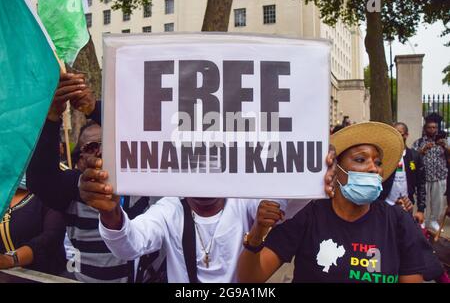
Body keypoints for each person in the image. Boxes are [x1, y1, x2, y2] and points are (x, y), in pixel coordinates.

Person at [78, 153, 336, 283]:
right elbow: (130, 246)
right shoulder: (170, 209)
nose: (203, 182)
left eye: (211, 170)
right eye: (194, 171)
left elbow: (284, 205)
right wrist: (110, 213)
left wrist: (315, 178)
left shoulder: (244, 200)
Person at [238, 122, 426, 283]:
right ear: (335, 168)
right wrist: (257, 233)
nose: (373, 169)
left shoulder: (399, 222)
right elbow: (251, 278)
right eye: (361, 159)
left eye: (377, 163)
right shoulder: (307, 214)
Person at [27, 73, 161, 283]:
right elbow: (40, 179)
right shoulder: (73, 189)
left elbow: (146, 138)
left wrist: (93, 109)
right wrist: (51, 116)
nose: (101, 152)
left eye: (108, 142)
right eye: (91, 147)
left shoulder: (144, 183)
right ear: (80, 159)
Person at [0, 176, 66, 275]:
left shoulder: (49, 195)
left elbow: (52, 237)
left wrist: (11, 259)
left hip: (45, 276)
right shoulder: (3, 197)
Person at [380, 122, 426, 224]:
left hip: (407, 205)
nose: (397, 137)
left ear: (406, 135)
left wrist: (421, 210)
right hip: (386, 204)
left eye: (400, 133)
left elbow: (421, 184)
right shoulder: (385, 156)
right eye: (394, 133)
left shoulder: (415, 156)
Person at [412, 120, 449, 232]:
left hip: (440, 176)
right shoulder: (418, 142)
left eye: (434, 127)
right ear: (425, 129)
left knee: (438, 201)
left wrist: (445, 147)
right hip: (424, 177)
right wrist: (423, 150)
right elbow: (413, 158)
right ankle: (423, 221)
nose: (432, 130)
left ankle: (433, 221)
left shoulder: (443, 142)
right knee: (424, 201)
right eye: (430, 127)